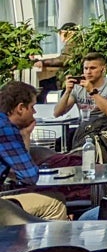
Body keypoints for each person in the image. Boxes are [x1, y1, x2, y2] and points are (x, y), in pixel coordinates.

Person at [0, 81, 68, 220]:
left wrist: (25, 135)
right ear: (20, 108)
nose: (34, 112)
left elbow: (18, 169)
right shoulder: (5, 129)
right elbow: (29, 177)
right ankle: (56, 242)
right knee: (55, 203)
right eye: (32, 107)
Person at [53, 51, 107, 128]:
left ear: (103, 69)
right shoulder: (78, 88)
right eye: (86, 68)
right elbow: (57, 113)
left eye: (93, 68)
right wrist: (67, 92)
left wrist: (92, 91)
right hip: (84, 130)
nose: (88, 72)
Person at [30, 22, 77, 99]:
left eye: (61, 33)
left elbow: (63, 59)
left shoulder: (73, 44)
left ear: (68, 33)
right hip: (64, 77)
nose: (60, 36)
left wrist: (43, 62)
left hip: (67, 78)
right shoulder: (73, 43)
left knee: (42, 87)